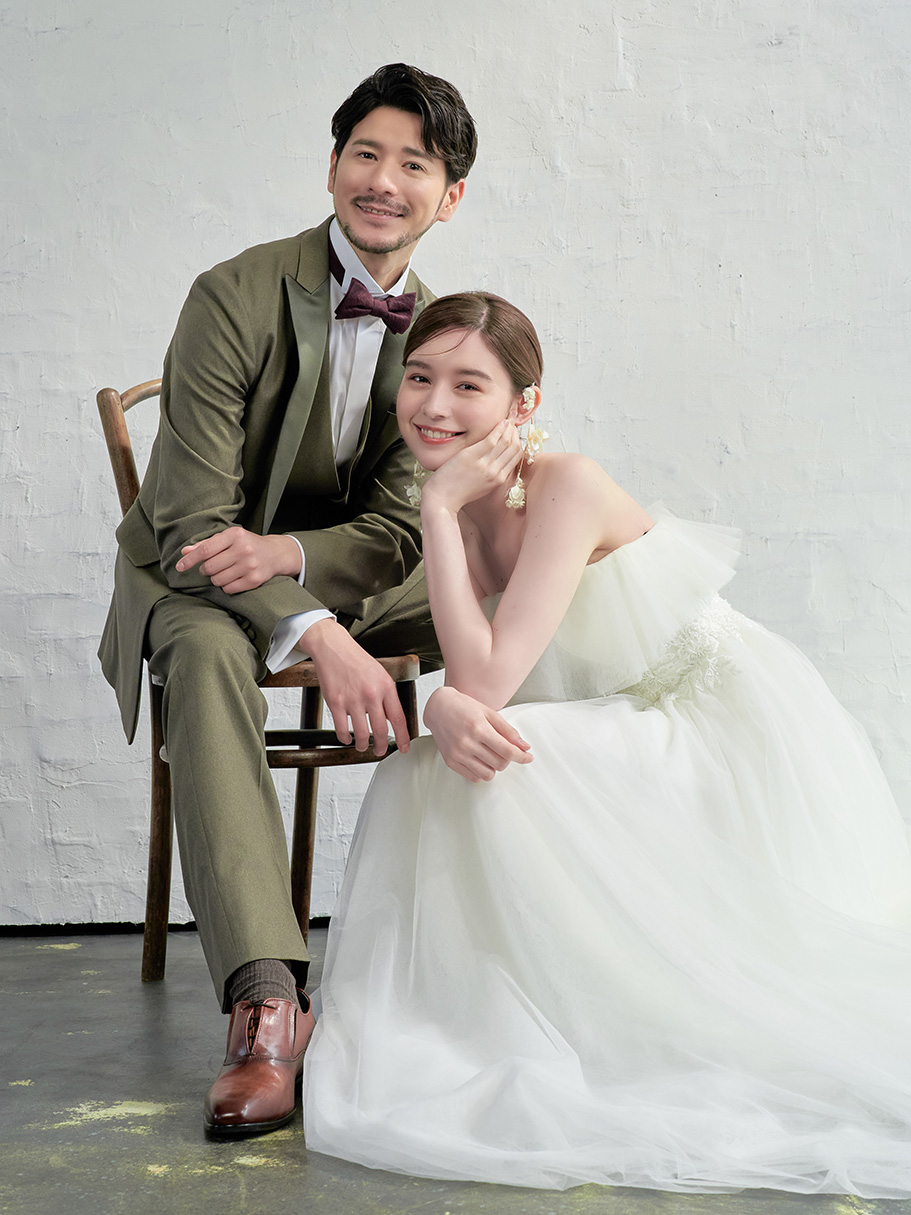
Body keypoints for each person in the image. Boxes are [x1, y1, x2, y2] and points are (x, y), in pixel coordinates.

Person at [302, 291, 911, 1196]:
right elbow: (475, 685)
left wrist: (435, 515)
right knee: (420, 775)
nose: (433, 405)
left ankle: (571, 1010)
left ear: (524, 405)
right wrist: (441, 694)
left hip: (705, 722)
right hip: (612, 716)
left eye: (468, 384)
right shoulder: (460, 503)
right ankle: (467, 1018)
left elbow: (484, 684)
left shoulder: (565, 485)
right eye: (419, 378)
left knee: (497, 767)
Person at [97, 64, 478, 1137]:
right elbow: (189, 520)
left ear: (448, 196)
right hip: (190, 578)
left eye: (413, 164)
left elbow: (398, 529)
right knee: (207, 654)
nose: (383, 180)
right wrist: (316, 632)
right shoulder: (232, 292)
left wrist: (297, 562)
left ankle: (498, 952)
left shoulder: (440, 328)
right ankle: (267, 1002)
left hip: (333, 572)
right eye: (365, 153)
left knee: (514, 601)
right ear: (332, 165)